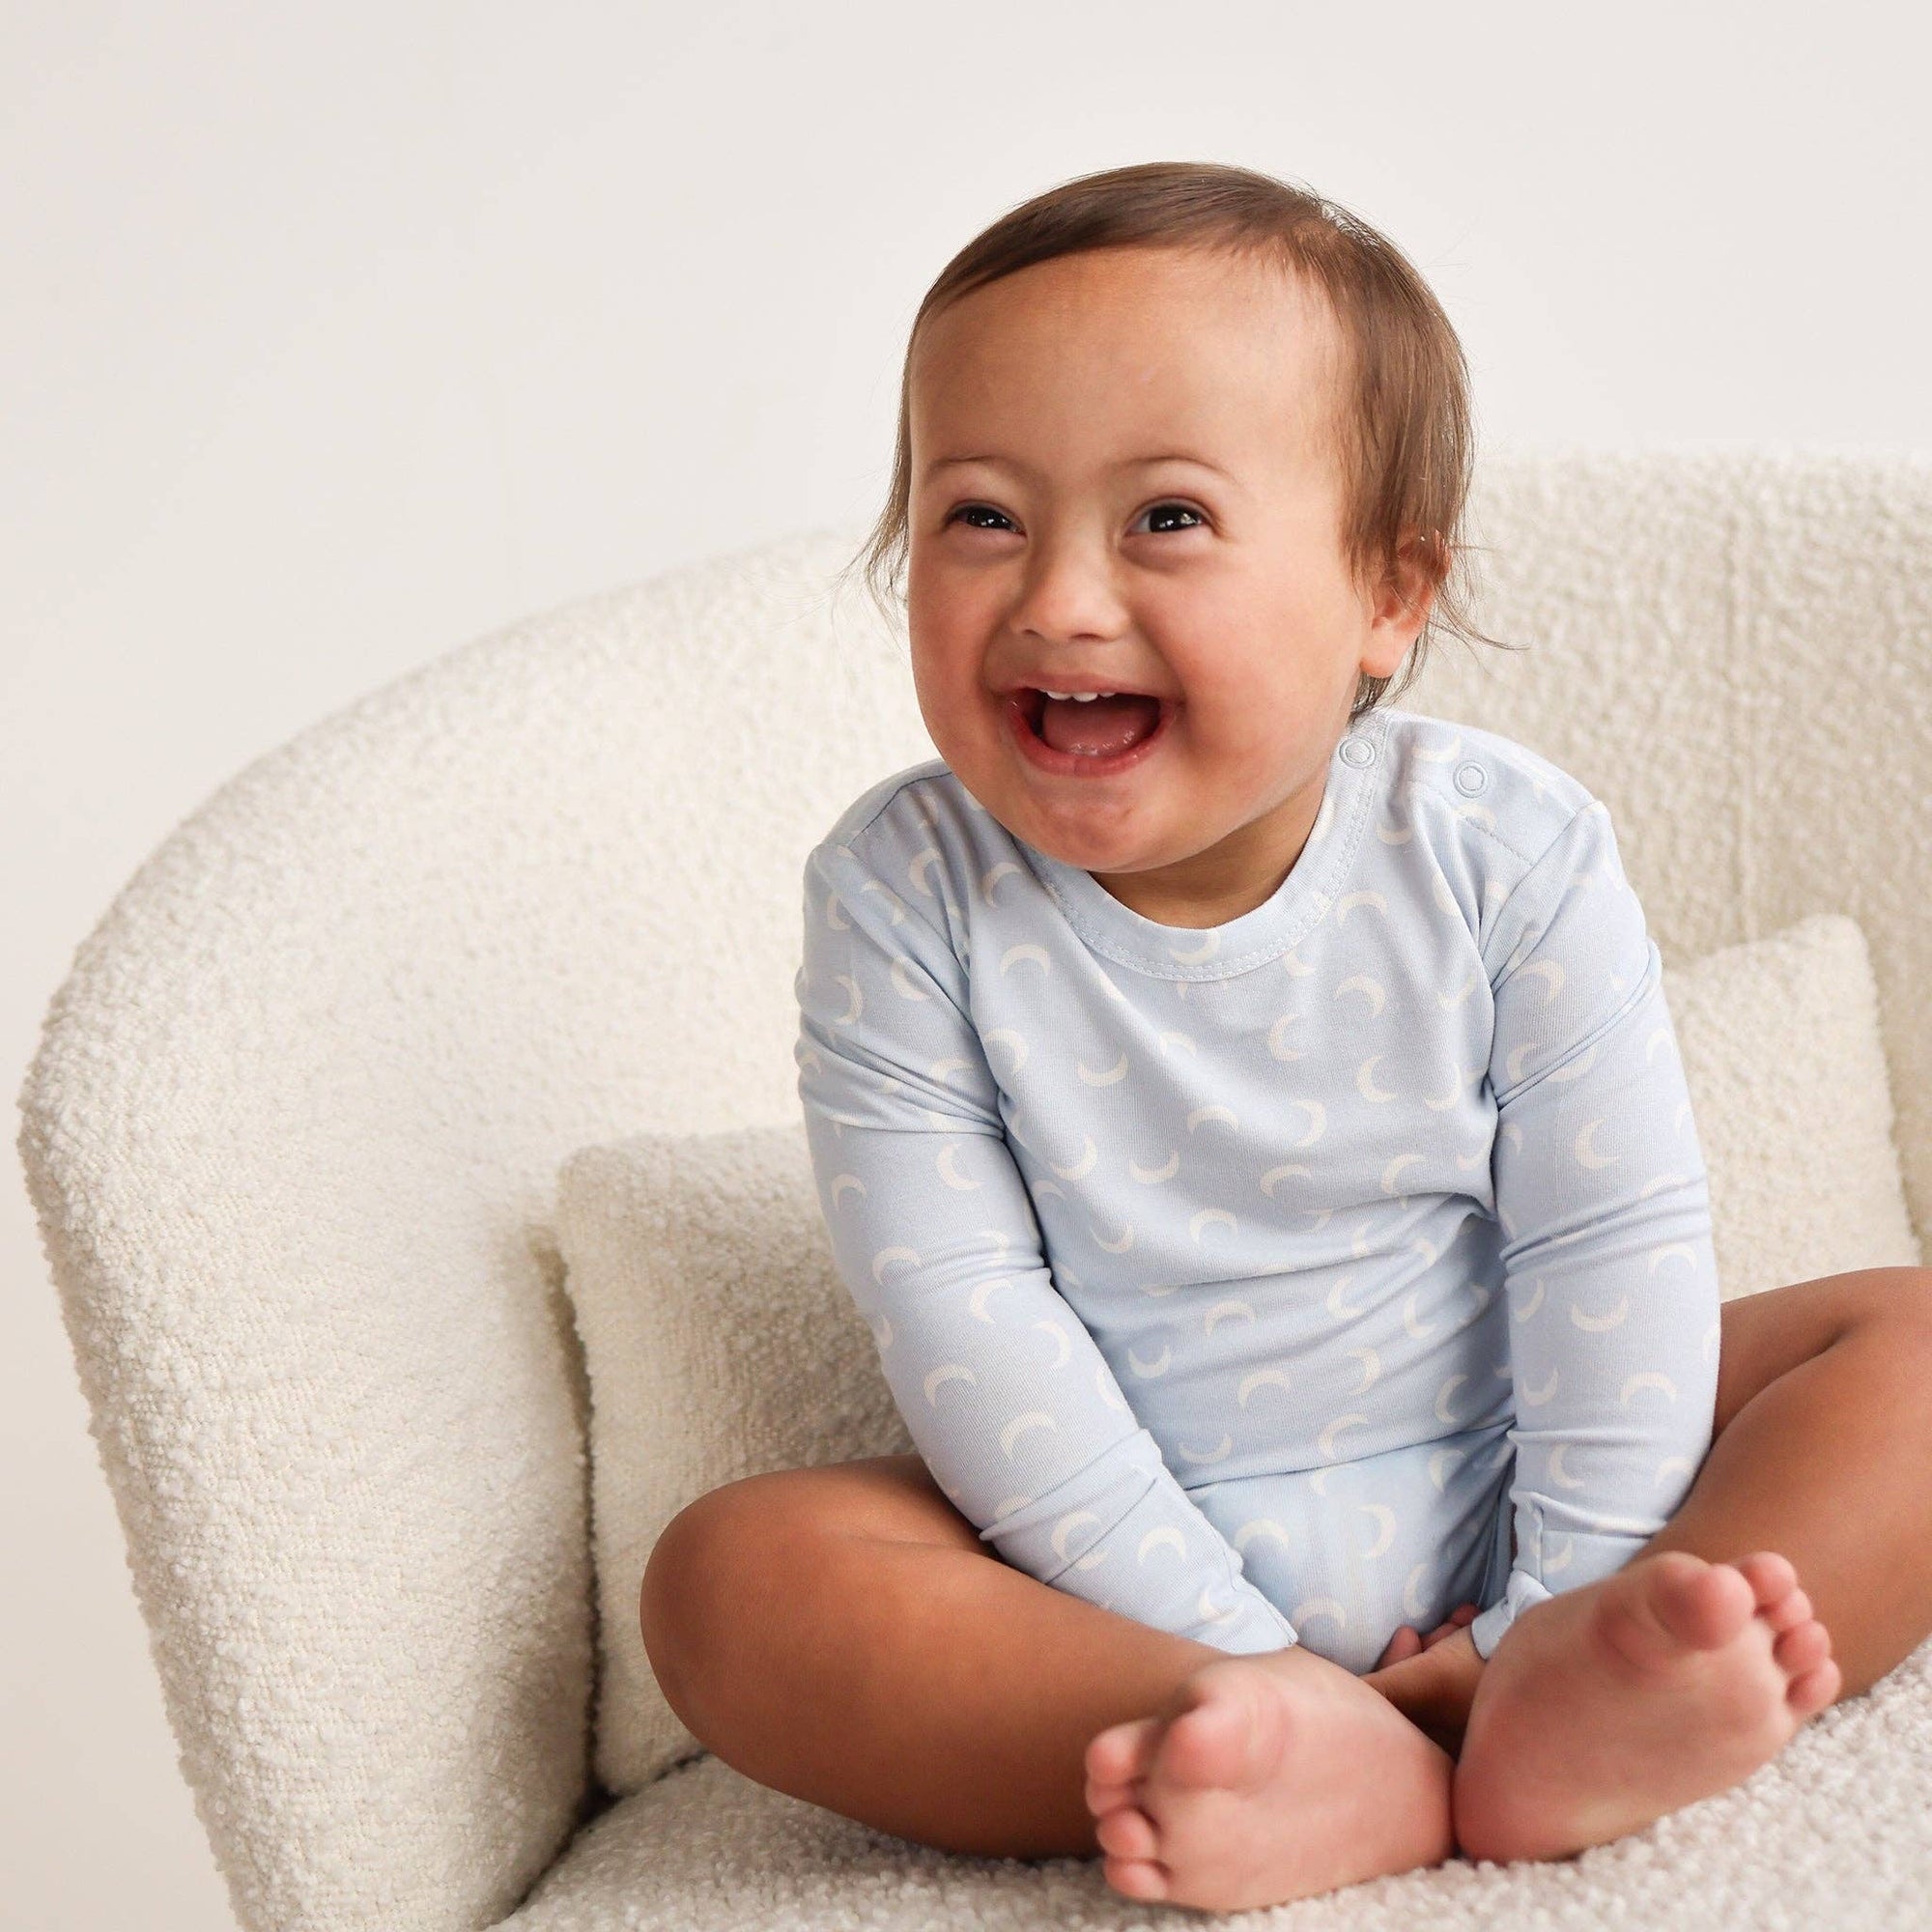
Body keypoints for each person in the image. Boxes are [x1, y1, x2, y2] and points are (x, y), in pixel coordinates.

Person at [640, 160, 1932, 1911]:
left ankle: (1571, 1701)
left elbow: (1606, 1244)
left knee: (1914, 1344)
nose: (1059, 602)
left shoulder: (1499, 851)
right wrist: (1241, 1657)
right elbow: (965, 1326)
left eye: (1164, 519)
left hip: (1514, 1464)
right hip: (1110, 1571)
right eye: (980, 518)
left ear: (1386, 598)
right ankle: (1287, 1753)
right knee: (733, 1584)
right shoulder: (903, 895)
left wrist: (1556, 1601)